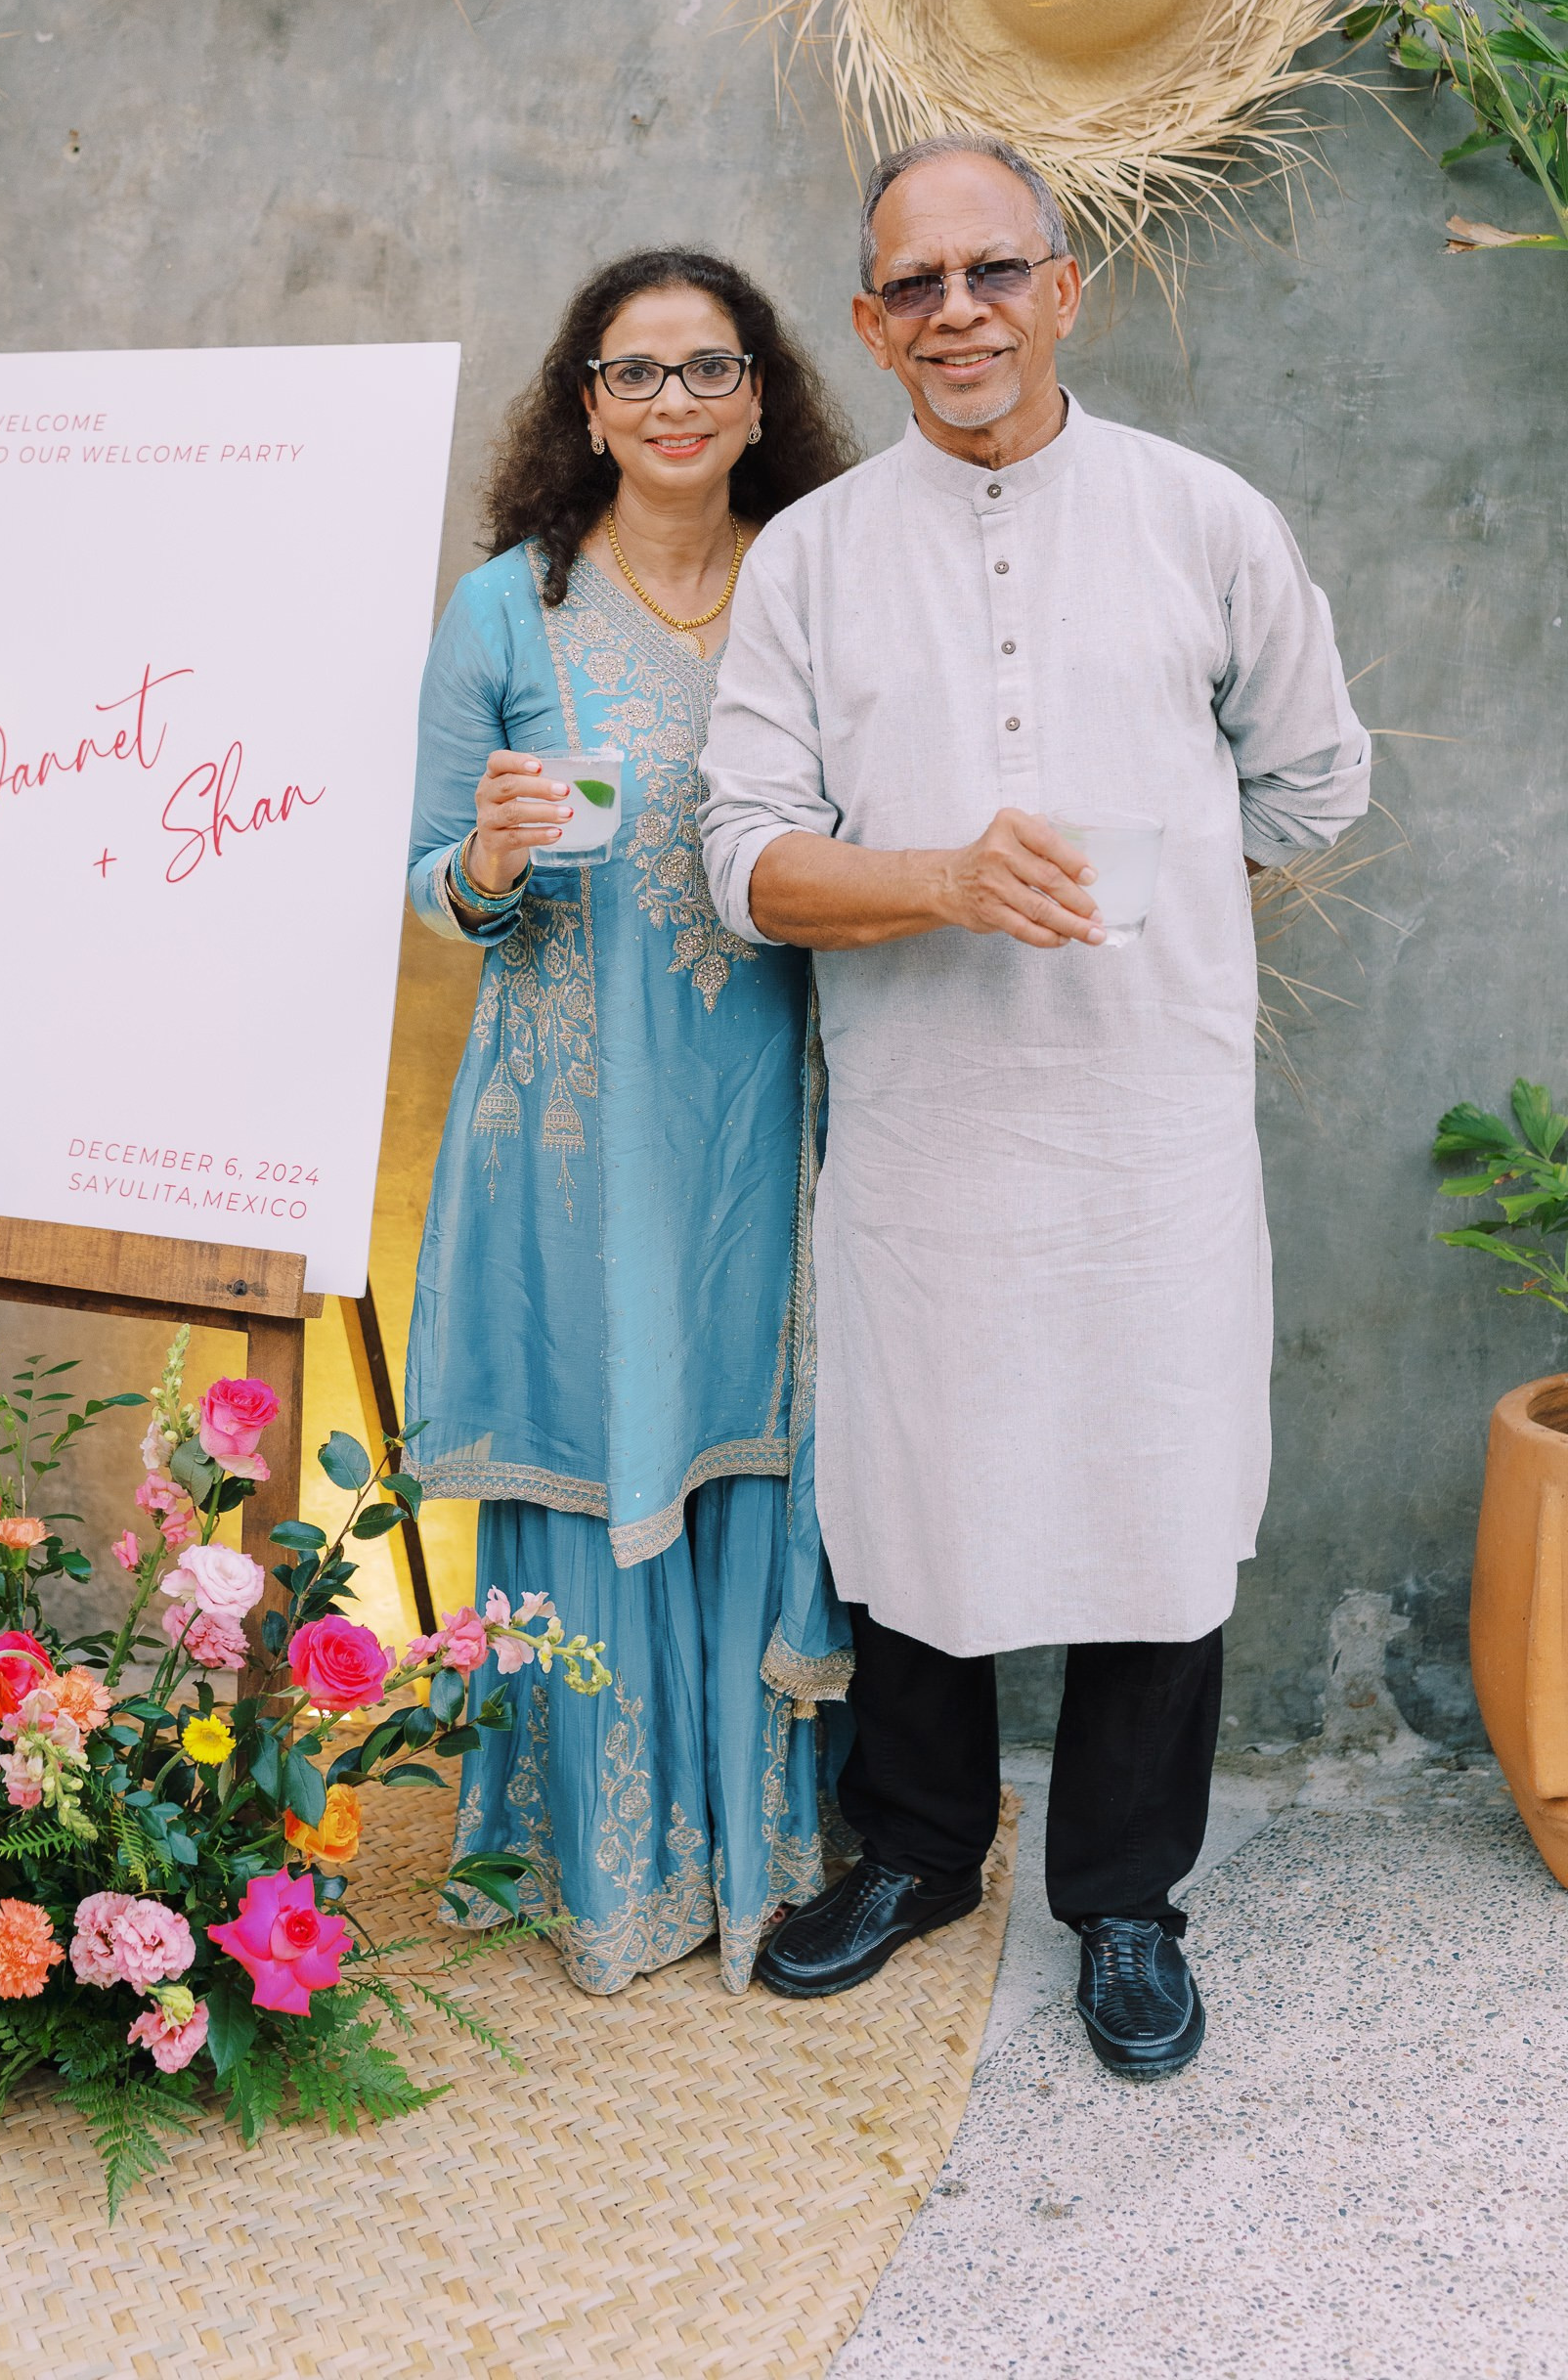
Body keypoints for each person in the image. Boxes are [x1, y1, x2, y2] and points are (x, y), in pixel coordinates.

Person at [698, 135, 1371, 2075]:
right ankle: (918, 1851)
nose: (959, 312)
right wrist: (940, 879)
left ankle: (1128, 1898)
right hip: (925, 1133)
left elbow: (1314, 781)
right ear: (868, 324)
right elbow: (743, 861)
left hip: (1150, 1129)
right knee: (923, 1482)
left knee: (1156, 1489)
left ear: (1065, 288)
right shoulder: (812, 557)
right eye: (916, 284)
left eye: (994, 270)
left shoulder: (1201, 517)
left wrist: (1166, 893)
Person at [404, 248, 858, 1994]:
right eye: (636, 372)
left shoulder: (820, 579)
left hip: (774, 1110)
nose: (674, 401)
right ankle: (612, 1865)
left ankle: (771, 1845)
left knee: (762, 1423)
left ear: (761, 395)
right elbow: (431, 881)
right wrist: (490, 856)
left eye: (709, 366)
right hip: (577, 1131)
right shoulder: (505, 610)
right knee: (607, 1436)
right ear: (585, 407)